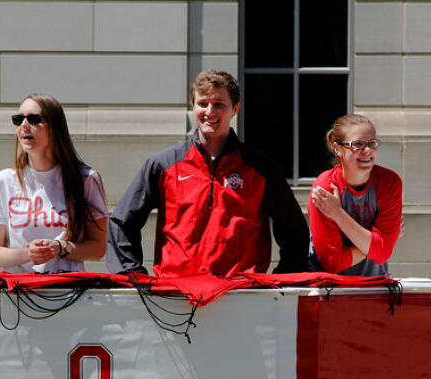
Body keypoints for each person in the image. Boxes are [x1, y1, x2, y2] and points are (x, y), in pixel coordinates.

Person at [106, 70, 309, 277]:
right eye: (203, 104)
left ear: (235, 109)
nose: (210, 111)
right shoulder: (163, 164)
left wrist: (283, 282)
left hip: (242, 296)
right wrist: (132, 276)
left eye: (219, 105)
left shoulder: (261, 168)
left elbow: (295, 233)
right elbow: (122, 222)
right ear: (193, 107)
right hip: (176, 296)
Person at [0, 93, 108, 273]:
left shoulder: (85, 179)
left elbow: (98, 248)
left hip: (67, 292)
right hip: (18, 294)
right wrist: (28, 253)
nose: (24, 125)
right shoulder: (1, 182)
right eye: (18, 119)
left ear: (55, 127)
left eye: (34, 119)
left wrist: (60, 248)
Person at [308, 114, 402, 276]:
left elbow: (383, 254)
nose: (367, 151)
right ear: (338, 149)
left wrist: (337, 214)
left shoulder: (390, 182)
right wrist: (376, 245)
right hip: (329, 289)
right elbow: (332, 263)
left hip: (375, 285)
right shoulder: (325, 188)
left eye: (372, 143)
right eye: (358, 144)